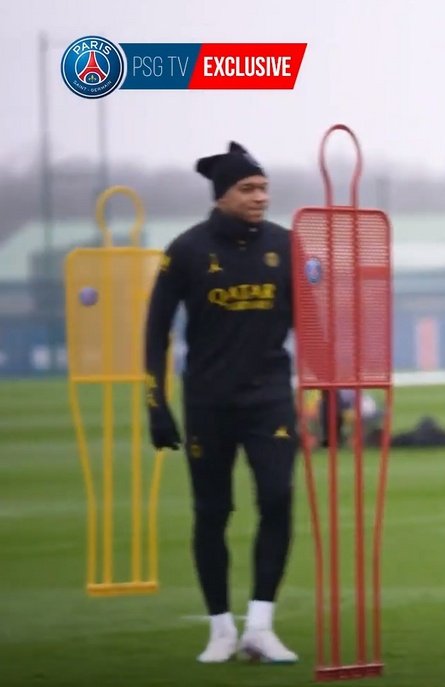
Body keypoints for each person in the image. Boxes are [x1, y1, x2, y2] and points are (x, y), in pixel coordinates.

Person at [144, 142, 300, 664]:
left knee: (277, 498)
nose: (262, 197)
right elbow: (156, 330)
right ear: (222, 195)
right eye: (249, 189)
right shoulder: (185, 250)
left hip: (271, 399)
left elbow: (315, 325)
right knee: (213, 512)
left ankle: (260, 625)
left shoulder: (288, 246)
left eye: (264, 187)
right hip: (208, 403)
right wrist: (155, 402)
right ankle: (220, 630)